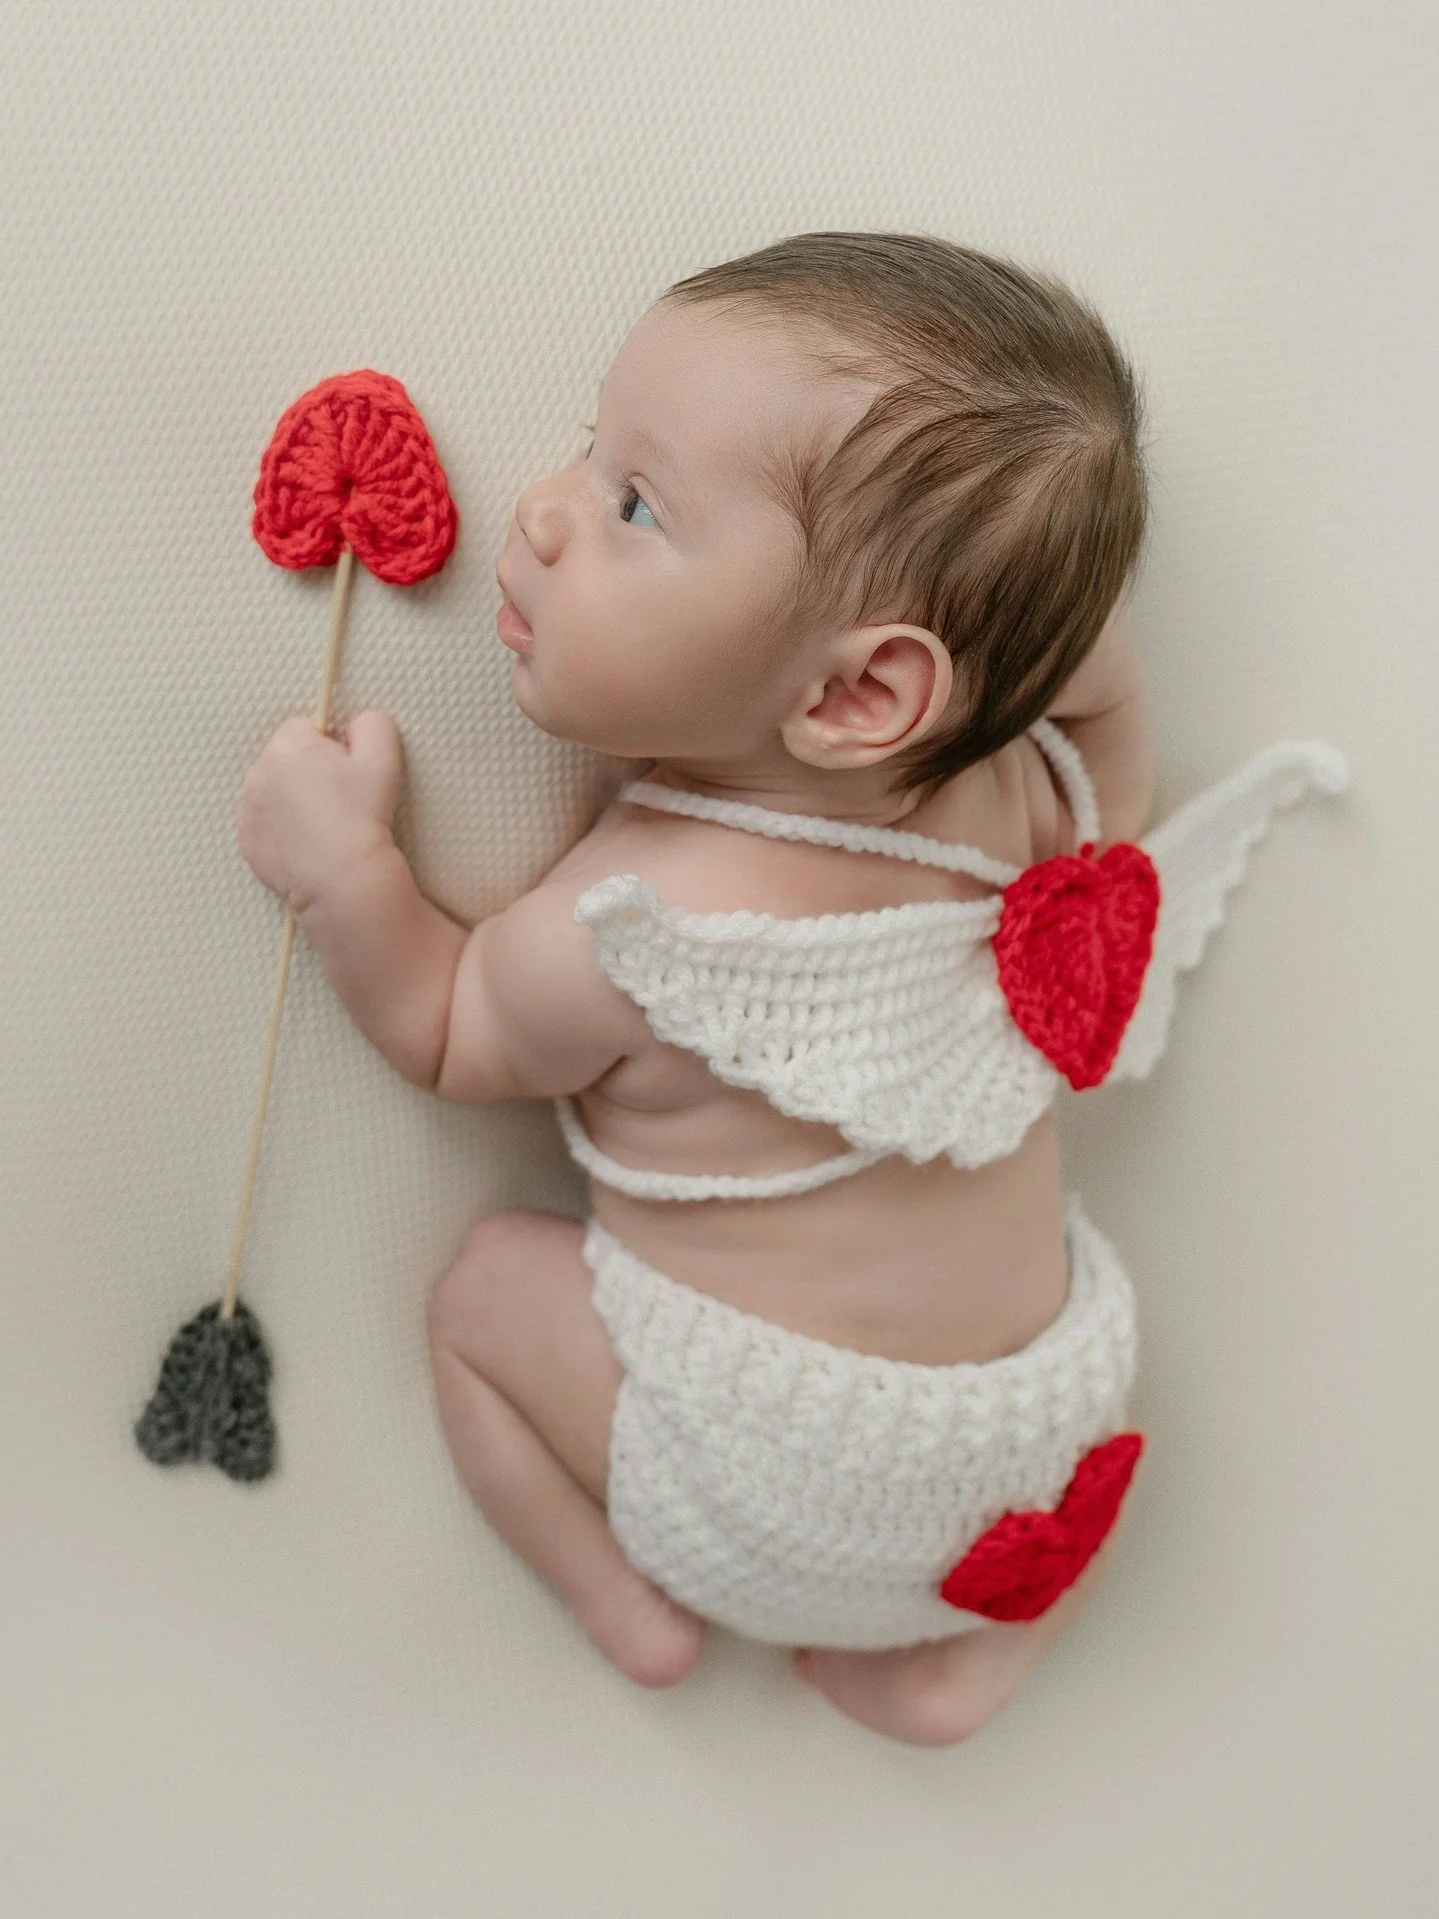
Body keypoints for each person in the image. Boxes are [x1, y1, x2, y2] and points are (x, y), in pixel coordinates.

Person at [237, 233, 1347, 1745]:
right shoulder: (1041, 804)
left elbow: (444, 1023)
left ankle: (621, 1604)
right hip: (1034, 1457)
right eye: (587, 450)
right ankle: (962, 1665)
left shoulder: (640, 925)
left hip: (760, 1483)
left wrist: (346, 867)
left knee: (485, 1290)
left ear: (854, 694)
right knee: (998, 1497)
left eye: (635, 505)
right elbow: (1100, 683)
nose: (548, 512)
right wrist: (1010, 613)